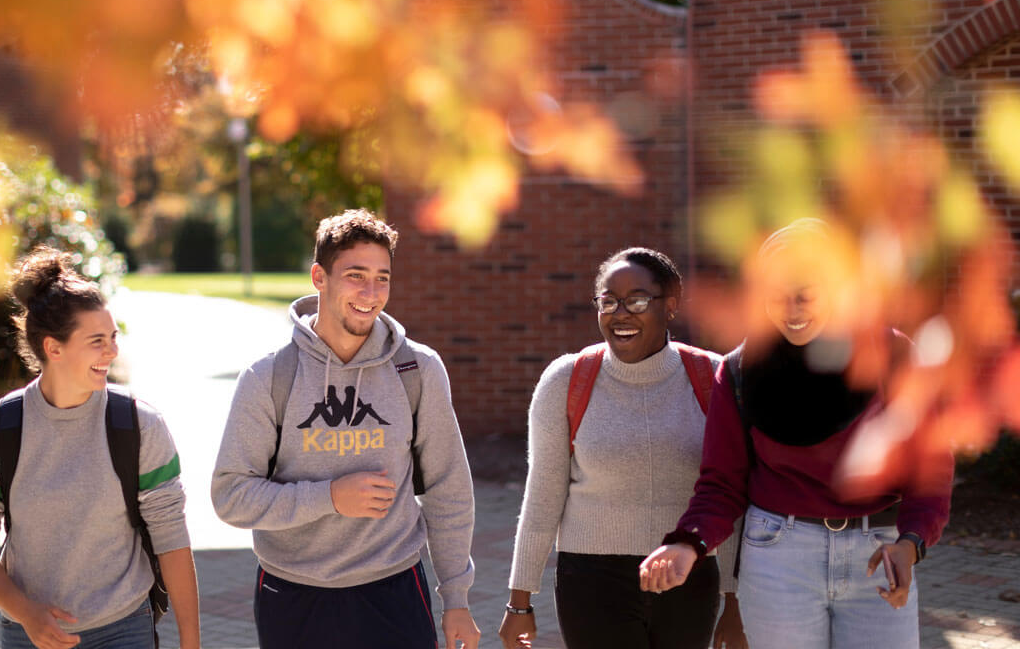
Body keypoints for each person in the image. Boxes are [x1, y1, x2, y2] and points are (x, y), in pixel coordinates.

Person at [639, 219, 953, 649]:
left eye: (806, 295)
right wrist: (688, 543)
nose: (791, 310)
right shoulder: (738, 370)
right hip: (778, 557)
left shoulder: (893, 356)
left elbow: (929, 470)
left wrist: (911, 542)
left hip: (877, 554)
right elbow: (722, 483)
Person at [211, 208, 481, 649]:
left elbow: (449, 490)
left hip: (393, 590)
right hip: (293, 594)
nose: (371, 293)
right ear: (320, 277)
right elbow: (231, 498)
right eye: (356, 275)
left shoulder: (417, 368)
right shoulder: (270, 377)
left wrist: (456, 599)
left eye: (383, 278)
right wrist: (330, 497)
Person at [0, 247, 201, 649]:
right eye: (97, 340)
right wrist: (26, 612)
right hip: (29, 635)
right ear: (54, 348)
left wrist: (191, 643)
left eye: (114, 337)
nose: (112, 352)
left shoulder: (139, 426)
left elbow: (172, 538)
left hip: (125, 629)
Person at [499, 247, 744, 649]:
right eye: (608, 301)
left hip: (688, 576)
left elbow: (728, 494)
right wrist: (519, 602)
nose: (620, 313)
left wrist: (733, 602)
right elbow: (542, 495)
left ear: (671, 306)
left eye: (637, 300)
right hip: (591, 583)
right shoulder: (566, 380)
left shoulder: (713, 378)